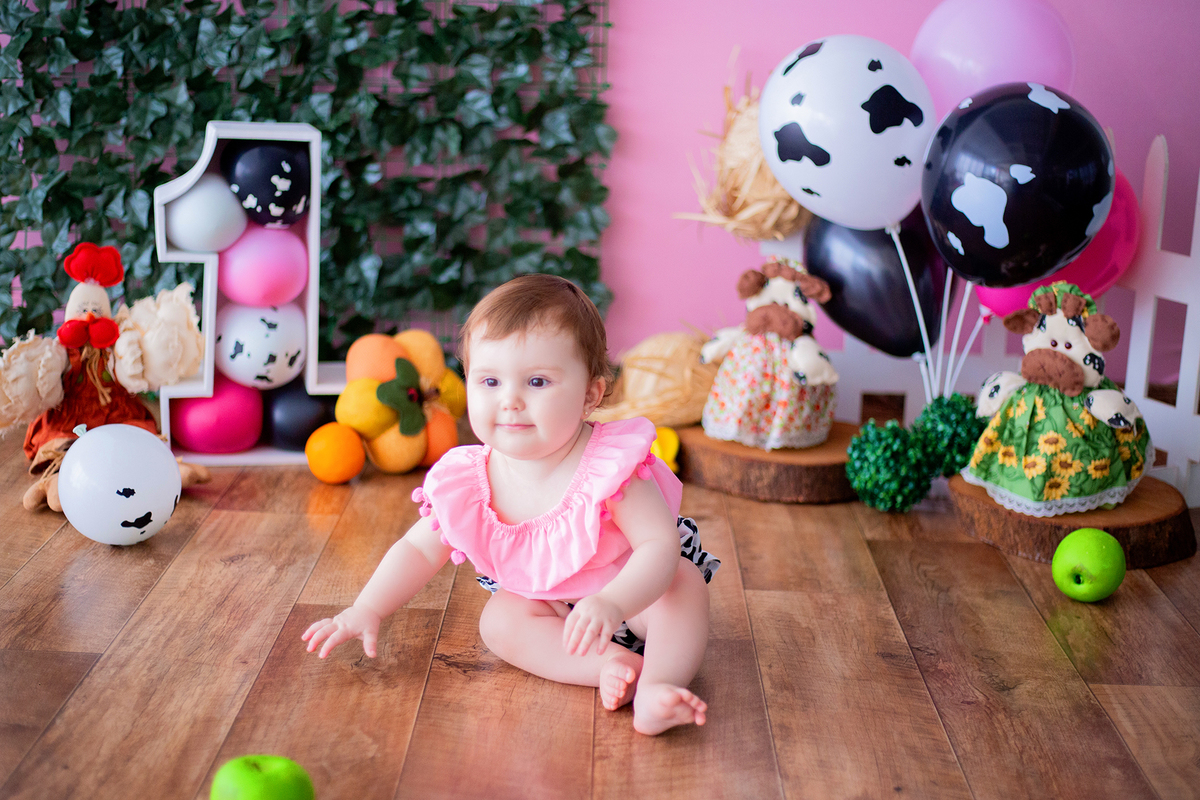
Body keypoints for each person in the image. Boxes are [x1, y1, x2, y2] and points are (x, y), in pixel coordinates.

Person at [303, 274, 720, 735]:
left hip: (634, 598)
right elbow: (418, 550)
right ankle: (608, 666)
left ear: (590, 394)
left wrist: (613, 603)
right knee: (501, 621)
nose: (510, 401)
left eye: (537, 381)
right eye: (490, 381)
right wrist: (368, 608)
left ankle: (660, 686)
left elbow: (658, 547)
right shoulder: (471, 481)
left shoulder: (610, 467)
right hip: (556, 613)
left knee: (681, 584)